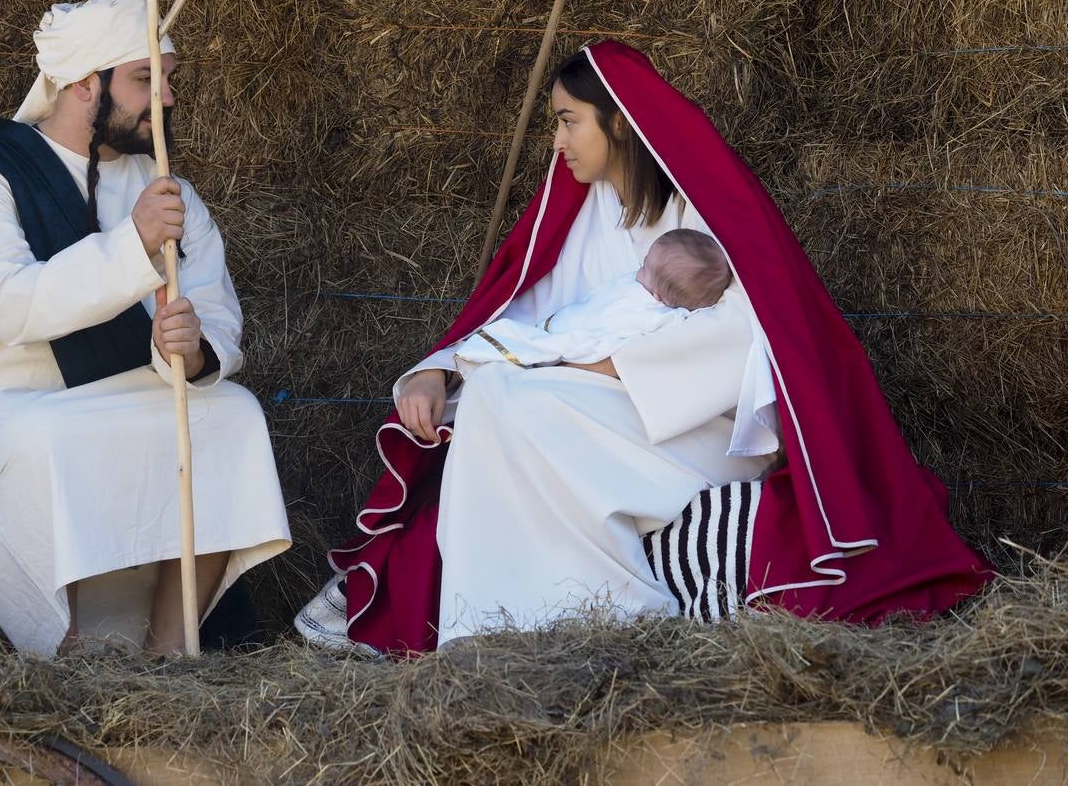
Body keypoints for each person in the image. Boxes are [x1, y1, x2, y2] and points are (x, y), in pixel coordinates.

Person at [297, 41, 990, 654]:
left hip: (690, 430)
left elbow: (747, 335)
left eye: (569, 121)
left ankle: (609, 610)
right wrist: (434, 369)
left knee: (512, 399)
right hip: (590, 413)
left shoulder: (704, 211)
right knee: (491, 399)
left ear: (619, 123)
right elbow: (523, 314)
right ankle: (504, 629)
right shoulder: (579, 211)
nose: (558, 141)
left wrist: (591, 367)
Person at [0, 0, 290, 657]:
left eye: (170, 80)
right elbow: (16, 307)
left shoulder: (168, 189)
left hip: (117, 401)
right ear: (82, 83)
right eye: (145, 80)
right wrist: (132, 246)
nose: (166, 99)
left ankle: (173, 653)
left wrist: (191, 351)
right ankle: (65, 653)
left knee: (233, 413)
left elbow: (214, 308)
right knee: (52, 437)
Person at [454, 228, 731, 372]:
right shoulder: (670, 310)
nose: (638, 270)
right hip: (566, 323)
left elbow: (613, 335)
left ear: (659, 296)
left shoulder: (656, 315)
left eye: (645, 267)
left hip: (579, 343)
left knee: (535, 343)